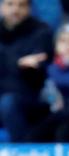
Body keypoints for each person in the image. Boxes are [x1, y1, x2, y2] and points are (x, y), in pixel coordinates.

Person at [28, 23, 69, 142]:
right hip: (55, 114)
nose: (68, 46)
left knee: (65, 128)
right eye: (63, 41)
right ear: (56, 45)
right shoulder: (50, 68)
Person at [0, 0, 53, 142]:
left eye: (21, 5)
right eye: (10, 4)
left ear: (29, 8)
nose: (15, 10)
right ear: (2, 7)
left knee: (8, 103)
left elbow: (39, 65)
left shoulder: (41, 31)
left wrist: (8, 63)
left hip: (29, 99)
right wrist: (17, 62)